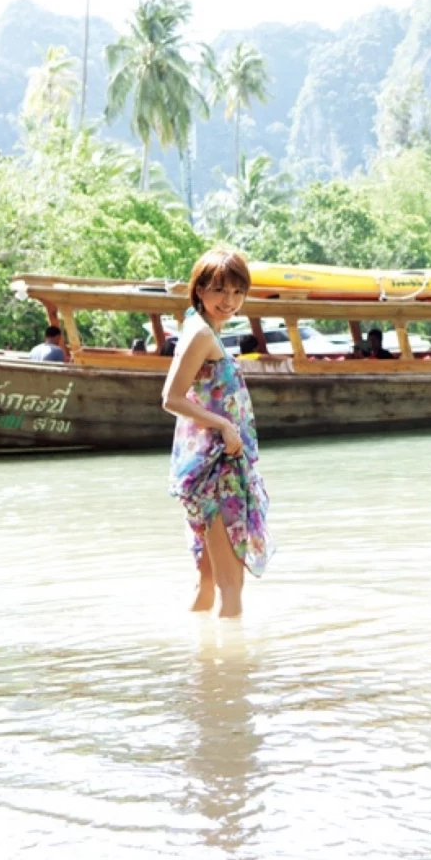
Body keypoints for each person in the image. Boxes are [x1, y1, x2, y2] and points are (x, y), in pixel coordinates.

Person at [161, 248, 269, 619]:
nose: (230, 301)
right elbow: (171, 398)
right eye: (220, 290)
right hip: (215, 471)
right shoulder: (201, 333)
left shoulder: (203, 329)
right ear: (199, 289)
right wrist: (224, 426)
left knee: (208, 583)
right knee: (231, 586)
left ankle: (206, 668)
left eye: (238, 292)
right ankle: (234, 673)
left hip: (212, 465)